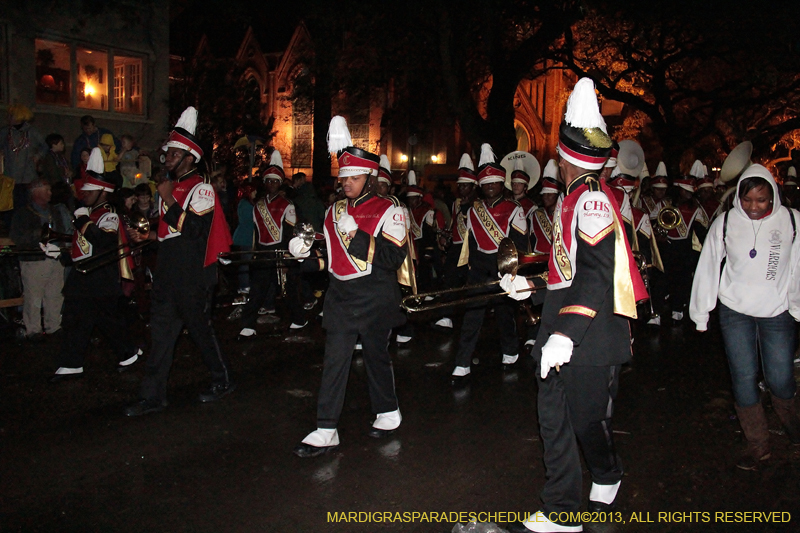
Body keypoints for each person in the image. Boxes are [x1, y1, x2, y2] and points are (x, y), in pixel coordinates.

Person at [502, 78, 647, 533]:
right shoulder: (571, 201)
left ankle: (607, 472)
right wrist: (532, 287)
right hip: (560, 330)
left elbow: (596, 274)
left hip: (591, 336)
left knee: (586, 420)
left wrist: (565, 333)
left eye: (559, 160)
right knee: (552, 417)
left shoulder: (593, 202)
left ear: (566, 161)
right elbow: (566, 270)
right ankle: (562, 510)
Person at [291, 116, 409, 458]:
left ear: (369, 179)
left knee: (376, 357)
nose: (347, 184)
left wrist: (357, 235)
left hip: (375, 296)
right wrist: (303, 256)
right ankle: (326, 428)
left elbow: (391, 258)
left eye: (354, 178)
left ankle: (388, 411)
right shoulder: (332, 212)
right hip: (341, 296)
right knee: (335, 359)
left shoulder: (390, 210)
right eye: (344, 177)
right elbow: (331, 260)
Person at [124, 106, 233, 416]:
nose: (166, 158)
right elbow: (172, 234)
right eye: (167, 153)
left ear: (190, 158)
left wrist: (169, 199)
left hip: (193, 275)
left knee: (200, 331)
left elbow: (195, 231)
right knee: (160, 335)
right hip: (168, 272)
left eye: (172, 154)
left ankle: (222, 380)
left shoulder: (202, 189)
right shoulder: (169, 189)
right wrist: (149, 238)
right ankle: (152, 396)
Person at [690, 164, 800, 470]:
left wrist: (797, 306)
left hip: (776, 313)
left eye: (761, 200)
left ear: (773, 197)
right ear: (739, 196)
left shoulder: (792, 221)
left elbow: (798, 268)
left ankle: (794, 428)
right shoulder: (725, 223)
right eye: (748, 199)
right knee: (743, 378)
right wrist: (701, 312)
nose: (753, 206)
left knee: (780, 379)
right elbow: (709, 266)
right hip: (735, 312)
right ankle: (758, 445)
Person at [50, 148, 141, 382]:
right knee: (77, 320)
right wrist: (62, 254)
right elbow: (83, 249)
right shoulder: (89, 212)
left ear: (103, 191)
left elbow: (103, 241)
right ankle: (73, 363)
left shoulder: (107, 214)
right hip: (85, 276)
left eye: (89, 190)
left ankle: (128, 352)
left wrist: (81, 220)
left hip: (99, 278)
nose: (83, 194)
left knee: (106, 321)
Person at [450, 143, 528, 382]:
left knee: (505, 313)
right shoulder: (473, 211)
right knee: (472, 315)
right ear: (481, 186)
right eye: (485, 184)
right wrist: (472, 269)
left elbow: (519, 242)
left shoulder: (514, 209)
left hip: (504, 267)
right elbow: (471, 243)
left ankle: (510, 351)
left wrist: (512, 271)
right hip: (480, 269)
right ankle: (462, 363)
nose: (490, 187)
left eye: (494, 183)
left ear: (501, 184)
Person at [237, 149, 306, 339]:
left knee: (289, 289)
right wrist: (255, 252)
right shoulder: (258, 205)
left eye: (275, 180)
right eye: (269, 180)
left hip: (282, 251)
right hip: (263, 252)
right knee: (258, 289)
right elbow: (256, 232)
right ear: (265, 183)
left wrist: (287, 254)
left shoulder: (288, 204)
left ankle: (299, 319)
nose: (272, 184)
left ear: (281, 182)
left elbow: (291, 231)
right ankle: (248, 324)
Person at [9, 179, 71, 341]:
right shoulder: (24, 214)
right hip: (34, 260)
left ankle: (54, 326)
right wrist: (39, 235)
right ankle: (33, 329)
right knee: (33, 296)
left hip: (55, 258)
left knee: (55, 294)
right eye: (47, 190)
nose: (50, 193)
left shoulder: (54, 211)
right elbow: (17, 237)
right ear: (36, 192)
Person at [433, 153, 478, 330]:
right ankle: (446, 316)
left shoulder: (479, 204)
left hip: (473, 250)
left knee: (471, 285)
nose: (462, 189)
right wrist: (446, 236)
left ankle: (472, 320)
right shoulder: (456, 203)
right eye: (460, 186)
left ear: (473, 187)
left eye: (466, 186)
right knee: (449, 281)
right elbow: (453, 225)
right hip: (457, 249)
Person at [1, 105, 47, 228]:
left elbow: (45, 147)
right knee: (10, 205)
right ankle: (10, 228)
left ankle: (27, 228)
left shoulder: (32, 132)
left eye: (13, 115)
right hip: (10, 177)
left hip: (28, 176)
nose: (10, 118)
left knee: (26, 204)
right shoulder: (5, 132)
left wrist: (38, 156)